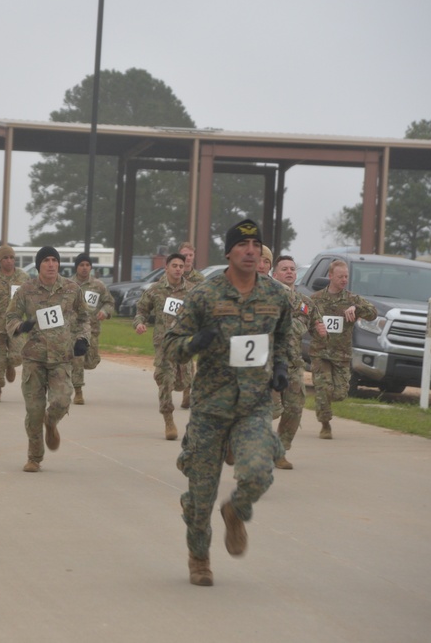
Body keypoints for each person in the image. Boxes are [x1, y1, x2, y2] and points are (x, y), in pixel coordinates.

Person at [164, 219, 291, 587]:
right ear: (229, 252)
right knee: (200, 498)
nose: (250, 251)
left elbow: (284, 336)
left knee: (258, 472)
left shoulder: (275, 295)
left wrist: (281, 366)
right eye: (242, 245)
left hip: (253, 405)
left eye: (255, 245)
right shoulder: (205, 295)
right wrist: (193, 343)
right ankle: (199, 557)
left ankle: (236, 510)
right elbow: (172, 344)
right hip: (210, 408)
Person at [6, 246, 90, 473]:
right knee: (34, 411)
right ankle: (34, 457)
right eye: (46, 261)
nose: (51, 264)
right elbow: (10, 316)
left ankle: (51, 422)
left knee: (62, 401)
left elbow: (84, 318)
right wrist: (20, 326)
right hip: (34, 358)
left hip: (61, 358)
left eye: (54, 260)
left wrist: (82, 338)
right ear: (38, 265)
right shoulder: (26, 290)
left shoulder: (72, 289)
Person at [308, 259, 376, 439]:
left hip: (341, 354)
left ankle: (325, 402)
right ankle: (325, 424)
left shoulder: (351, 299)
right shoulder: (316, 299)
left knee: (339, 394)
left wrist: (357, 309)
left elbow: (373, 313)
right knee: (323, 388)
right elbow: (304, 320)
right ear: (330, 276)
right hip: (320, 352)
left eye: (346, 276)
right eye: (340, 277)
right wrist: (314, 326)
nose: (344, 280)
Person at [134, 253, 195, 440]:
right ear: (166, 268)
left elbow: (202, 312)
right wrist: (139, 323)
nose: (178, 269)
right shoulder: (155, 290)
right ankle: (168, 419)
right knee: (166, 380)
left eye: (181, 266)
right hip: (163, 343)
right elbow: (141, 310)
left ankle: (184, 388)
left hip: (184, 343)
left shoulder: (192, 291)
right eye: (174, 265)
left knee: (184, 381)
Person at [271, 255, 322, 468]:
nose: (290, 272)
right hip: (269, 364)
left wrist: (321, 331)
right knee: (270, 411)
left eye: (292, 269)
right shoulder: (268, 298)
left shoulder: (305, 303)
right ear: (275, 274)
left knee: (294, 409)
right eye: (284, 269)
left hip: (293, 365)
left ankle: (280, 452)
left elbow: (317, 325)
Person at [0, 245, 30, 402]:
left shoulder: (23, 277)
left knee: (18, 356)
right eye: (5, 258)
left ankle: (11, 365)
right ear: (0, 260)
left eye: (11, 258)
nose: (9, 261)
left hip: (16, 325)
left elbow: (31, 296)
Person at [70, 252, 114, 405]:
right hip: (75, 330)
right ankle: (78, 392)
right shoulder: (68, 285)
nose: (84, 268)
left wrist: (105, 312)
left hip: (93, 329)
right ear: (76, 267)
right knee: (78, 356)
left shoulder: (98, 285)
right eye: (81, 265)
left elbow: (109, 303)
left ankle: (77, 366)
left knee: (90, 362)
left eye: (87, 265)